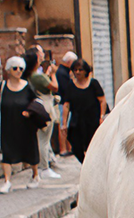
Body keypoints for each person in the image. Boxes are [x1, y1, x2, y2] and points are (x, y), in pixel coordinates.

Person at [0, 56, 41, 192]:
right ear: (8, 70)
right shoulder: (3, 87)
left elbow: (36, 103)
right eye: (15, 68)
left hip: (25, 126)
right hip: (8, 126)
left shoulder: (27, 86)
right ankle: (7, 181)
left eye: (21, 68)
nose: (18, 71)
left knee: (30, 151)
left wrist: (30, 113)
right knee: (7, 153)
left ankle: (35, 175)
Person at [60, 58, 106, 163]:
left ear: (86, 71)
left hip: (92, 120)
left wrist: (101, 116)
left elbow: (102, 100)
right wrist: (64, 123)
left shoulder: (93, 84)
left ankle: (93, 164)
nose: (77, 72)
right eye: (75, 70)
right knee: (76, 146)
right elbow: (66, 105)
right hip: (77, 120)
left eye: (80, 70)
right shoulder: (71, 86)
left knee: (92, 145)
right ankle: (85, 162)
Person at [26, 46, 61, 179]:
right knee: (44, 139)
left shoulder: (32, 75)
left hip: (38, 105)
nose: (42, 57)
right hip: (45, 106)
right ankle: (44, 167)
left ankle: (44, 165)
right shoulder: (37, 77)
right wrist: (52, 74)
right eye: (39, 55)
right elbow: (55, 87)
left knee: (42, 138)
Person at [55, 51, 77, 154]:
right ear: (69, 61)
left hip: (66, 103)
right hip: (64, 103)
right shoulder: (62, 73)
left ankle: (69, 148)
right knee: (63, 126)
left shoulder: (63, 71)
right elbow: (66, 89)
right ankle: (63, 149)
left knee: (66, 126)